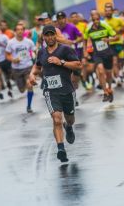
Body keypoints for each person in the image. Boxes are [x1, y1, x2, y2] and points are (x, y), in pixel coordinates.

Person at [28, 25, 82, 162]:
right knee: (56, 119)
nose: (50, 37)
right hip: (51, 92)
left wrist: (61, 62)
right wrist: (32, 74)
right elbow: (37, 66)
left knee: (70, 119)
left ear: (55, 36)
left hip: (67, 90)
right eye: (47, 35)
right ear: (44, 37)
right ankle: (60, 149)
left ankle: (69, 127)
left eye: (52, 34)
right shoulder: (41, 52)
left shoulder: (65, 49)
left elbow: (78, 65)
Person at [84, 10, 118, 102]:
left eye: (97, 19)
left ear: (100, 18)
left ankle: (109, 88)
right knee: (100, 71)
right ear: (91, 19)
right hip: (97, 54)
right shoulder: (88, 29)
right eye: (94, 19)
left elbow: (116, 37)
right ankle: (105, 92)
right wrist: (85, 51)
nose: (96, 21)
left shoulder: (105, 25)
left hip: (107, 53)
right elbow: (85, 39)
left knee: (109, 73)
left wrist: (108, 39)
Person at [5, 23, 35, 113]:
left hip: (27, 67)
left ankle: (29, 106)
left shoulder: (28, 42)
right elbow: (7, 54)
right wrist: (13, 59)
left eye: (22, 29)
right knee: (22, 90)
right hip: (16, 69)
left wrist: (35, 55)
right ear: (15, 32)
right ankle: (23, 84)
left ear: (24, 31)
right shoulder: (11, 43)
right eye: (18, 29)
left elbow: (35, 51)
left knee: (29, 85)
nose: (20, 31)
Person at [56, 11, 83, 106]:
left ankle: (73, 92)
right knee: (67, 79)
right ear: (57, 20)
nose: (61, 20)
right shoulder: (56, 30)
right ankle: (73, 97)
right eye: (59, 19)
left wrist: (74, 41)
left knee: (75, 80)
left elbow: (81, 37)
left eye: (63, 18)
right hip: (62, 57)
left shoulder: (72, 27)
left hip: (73, 56)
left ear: (65, 19)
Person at [104, 5, 124, 86]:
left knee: (121, 60)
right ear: (105, 12)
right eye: (106, 11)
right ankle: (118, 78)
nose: (108, 12)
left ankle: (121, 70)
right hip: (110, 44)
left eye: (109, 10)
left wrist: (120, 30)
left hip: (119, 42)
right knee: (114, 62)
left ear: (112, 11)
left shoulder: (118, 20)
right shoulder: (104, 22)